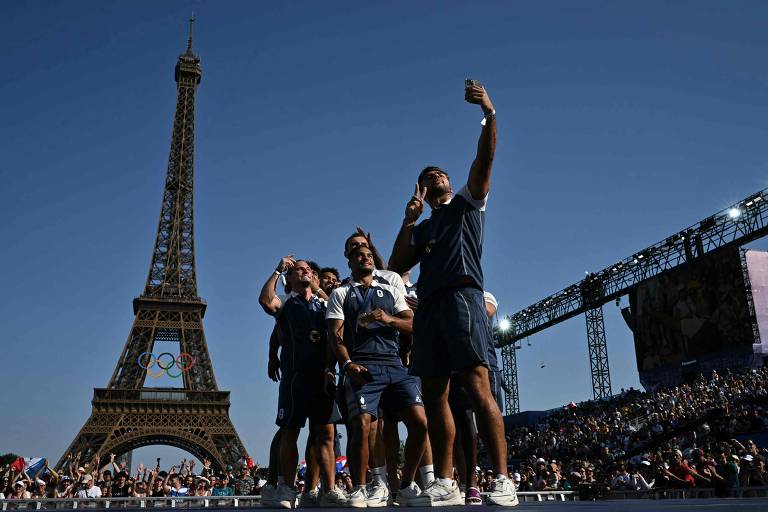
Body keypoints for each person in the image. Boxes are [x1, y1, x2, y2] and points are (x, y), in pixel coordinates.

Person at [388, 82, 517, 506]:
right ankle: (445, 480)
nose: (435, 176)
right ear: (421, 191)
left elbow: (485, 158)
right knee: (435, 392)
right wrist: (409, 220)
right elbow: (395, 266)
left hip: (463, 296)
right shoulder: (424, 227)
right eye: (426, 178)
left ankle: (501, 477)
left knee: (478, 386)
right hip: (430, 306)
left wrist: (489, 113)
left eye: (439, 173)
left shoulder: (467, 204)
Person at [327, 245, 429, 507]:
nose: (366, 257)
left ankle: (406, 484)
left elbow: (412, 324)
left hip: (394, 364)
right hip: (364, 365)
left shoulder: (392, 291)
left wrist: (388, 319)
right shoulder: (340, 293)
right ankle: (362, 487)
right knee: (362, 426)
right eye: (359, 255)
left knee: (420, 423)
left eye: (369, 255)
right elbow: (335, 336)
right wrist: (348, 364)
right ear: (349, 261)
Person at [259, 256, 348, 508]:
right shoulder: (287, 302)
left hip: (323, 376)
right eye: (299, 269)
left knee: (326, 434)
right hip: (295, 376)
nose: (306, 271)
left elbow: (340, 316)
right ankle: (287, 488)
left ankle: (329, 489)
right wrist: (278, 269)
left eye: (308, 269)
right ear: (289, 278)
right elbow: (266, 301)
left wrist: (318, 286)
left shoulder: (324, 303)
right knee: (291, 430)